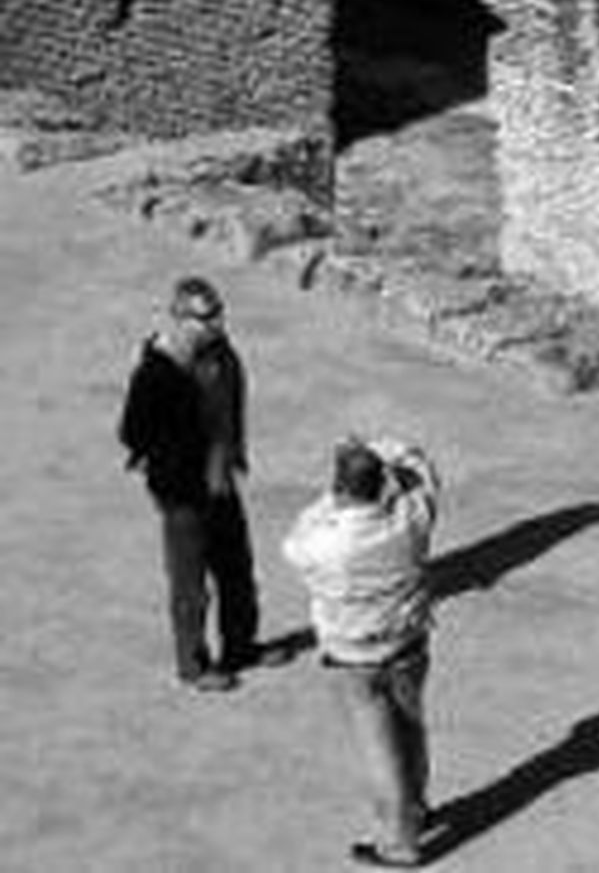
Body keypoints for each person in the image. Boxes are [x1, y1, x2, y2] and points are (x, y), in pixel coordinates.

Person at [283, 436, 441, 869]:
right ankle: (418, 807)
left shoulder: (322, 543)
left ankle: (399, 843)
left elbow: (296, 540)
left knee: (379, 750)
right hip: (407, 643)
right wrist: (381, 449)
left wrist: (332, 495)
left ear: (340, 488)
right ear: (381, 485)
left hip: (352, 657)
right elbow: (421, 465)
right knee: (411, 730)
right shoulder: (412, 518)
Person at [118, 276, 274, 692]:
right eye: (206, 317)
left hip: (220, 478)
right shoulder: (156, 372)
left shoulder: (219, 353)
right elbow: (132, 432)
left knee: (237, 569)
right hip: (184, 491)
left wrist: (232, 452)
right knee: (190, 583)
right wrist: (174, 456)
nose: (217, 323)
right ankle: (193, 665)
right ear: (180, 318)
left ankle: (240, 646)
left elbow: (232, 399)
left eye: (219, 313)